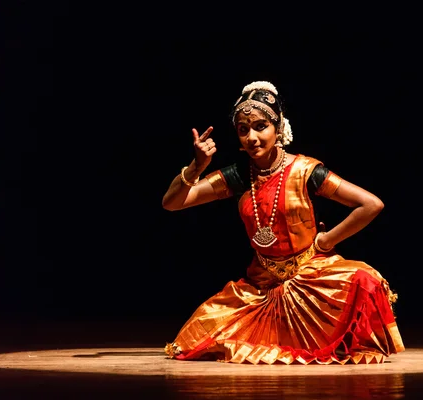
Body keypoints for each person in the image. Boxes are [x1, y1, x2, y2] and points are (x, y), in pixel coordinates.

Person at [161, 81, 405, 365]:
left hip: (311, 278)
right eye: (243, 130)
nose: (251, 137)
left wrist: (327, 241)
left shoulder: (305, 171)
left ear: (278, 129)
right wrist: (197, 166)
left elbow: (371, 204)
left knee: (365, 281)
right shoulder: (238, 176)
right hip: (262, 287)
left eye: (260, 126)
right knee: (192, 340)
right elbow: (173, 203)